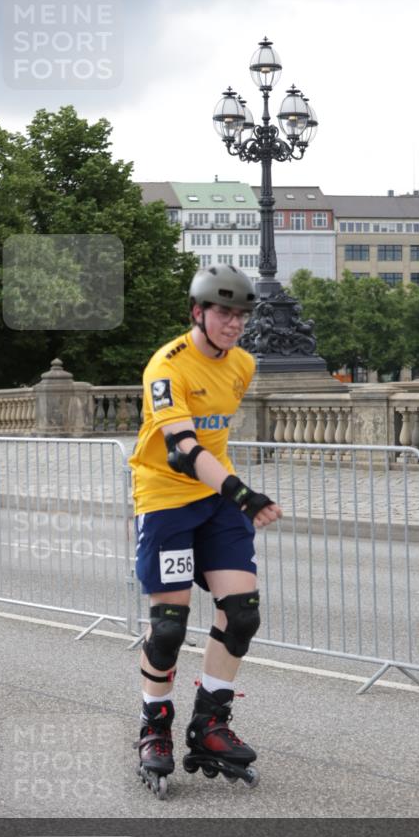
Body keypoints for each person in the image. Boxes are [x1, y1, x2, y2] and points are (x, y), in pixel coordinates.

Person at [129, 264, 282, 798]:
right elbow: (183, 448)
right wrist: (242, 493)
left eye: (241, 314)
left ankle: (209, 723)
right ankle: (154, 725)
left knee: (242, 613)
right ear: (198, 312)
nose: (233, 323)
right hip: (168, 500)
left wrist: (229, 495)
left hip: (215, 503)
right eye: (223, 312)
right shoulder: (167, 368)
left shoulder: (242, 365)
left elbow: (214, 444)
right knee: (169, 627)